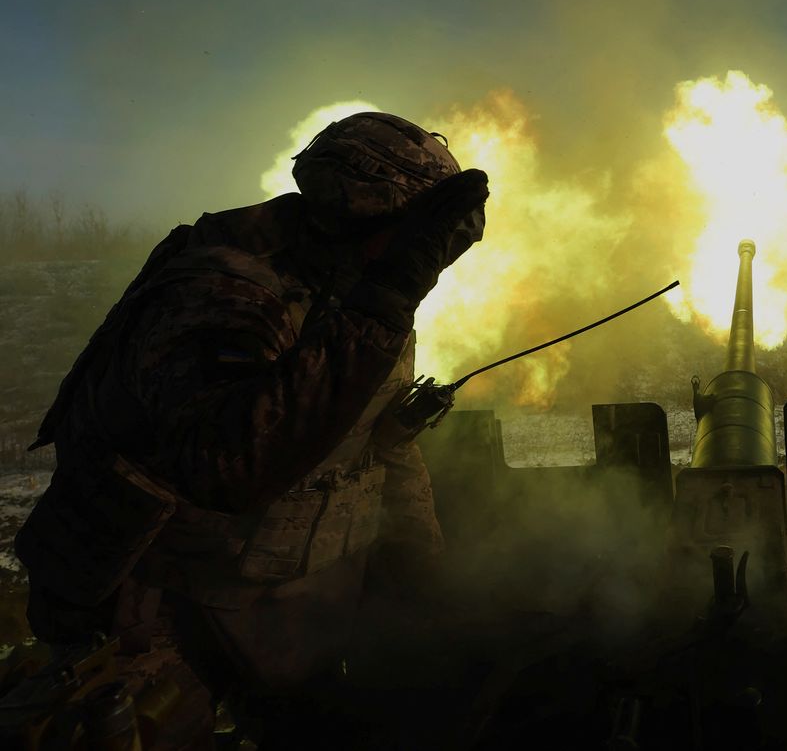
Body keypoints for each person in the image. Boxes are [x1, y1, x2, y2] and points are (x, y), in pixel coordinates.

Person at [14, 112, 489, 748]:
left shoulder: (349, 288)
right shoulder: (227, 286)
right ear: (359, 210)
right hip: (168, 606)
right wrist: (388, 298)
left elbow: (378, 439)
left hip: (278, 596)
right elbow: (229, 466)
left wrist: (421, 564)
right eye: (414, 234)